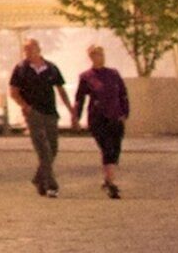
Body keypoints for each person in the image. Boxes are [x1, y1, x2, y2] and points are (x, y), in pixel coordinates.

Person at [10, 37, 71, 197]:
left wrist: (70, 110)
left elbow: (60, 89)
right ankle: (51, 184)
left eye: (31, 49)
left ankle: (39, 178)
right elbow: (13, 91)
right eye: (26, 50)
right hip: (34, 113)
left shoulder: (51, 68)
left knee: (53, 148)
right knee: (43, 150)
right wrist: (25, 106)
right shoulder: (21, 68)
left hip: (50, 112)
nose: (28, 52)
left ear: (38, 49)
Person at [76, 45, 133, 200]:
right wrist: (76, 117)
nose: (99, 57)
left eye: (101, 54)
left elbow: (123, 94)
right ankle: (112, 184)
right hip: (98, 118)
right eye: (95, 54)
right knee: (107, 148)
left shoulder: (113, 74)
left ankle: (107, 180)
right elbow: (80, 98)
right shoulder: (86, 77)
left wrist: (125, 112)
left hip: (115, 116)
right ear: (90, 57)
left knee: (115, 149)